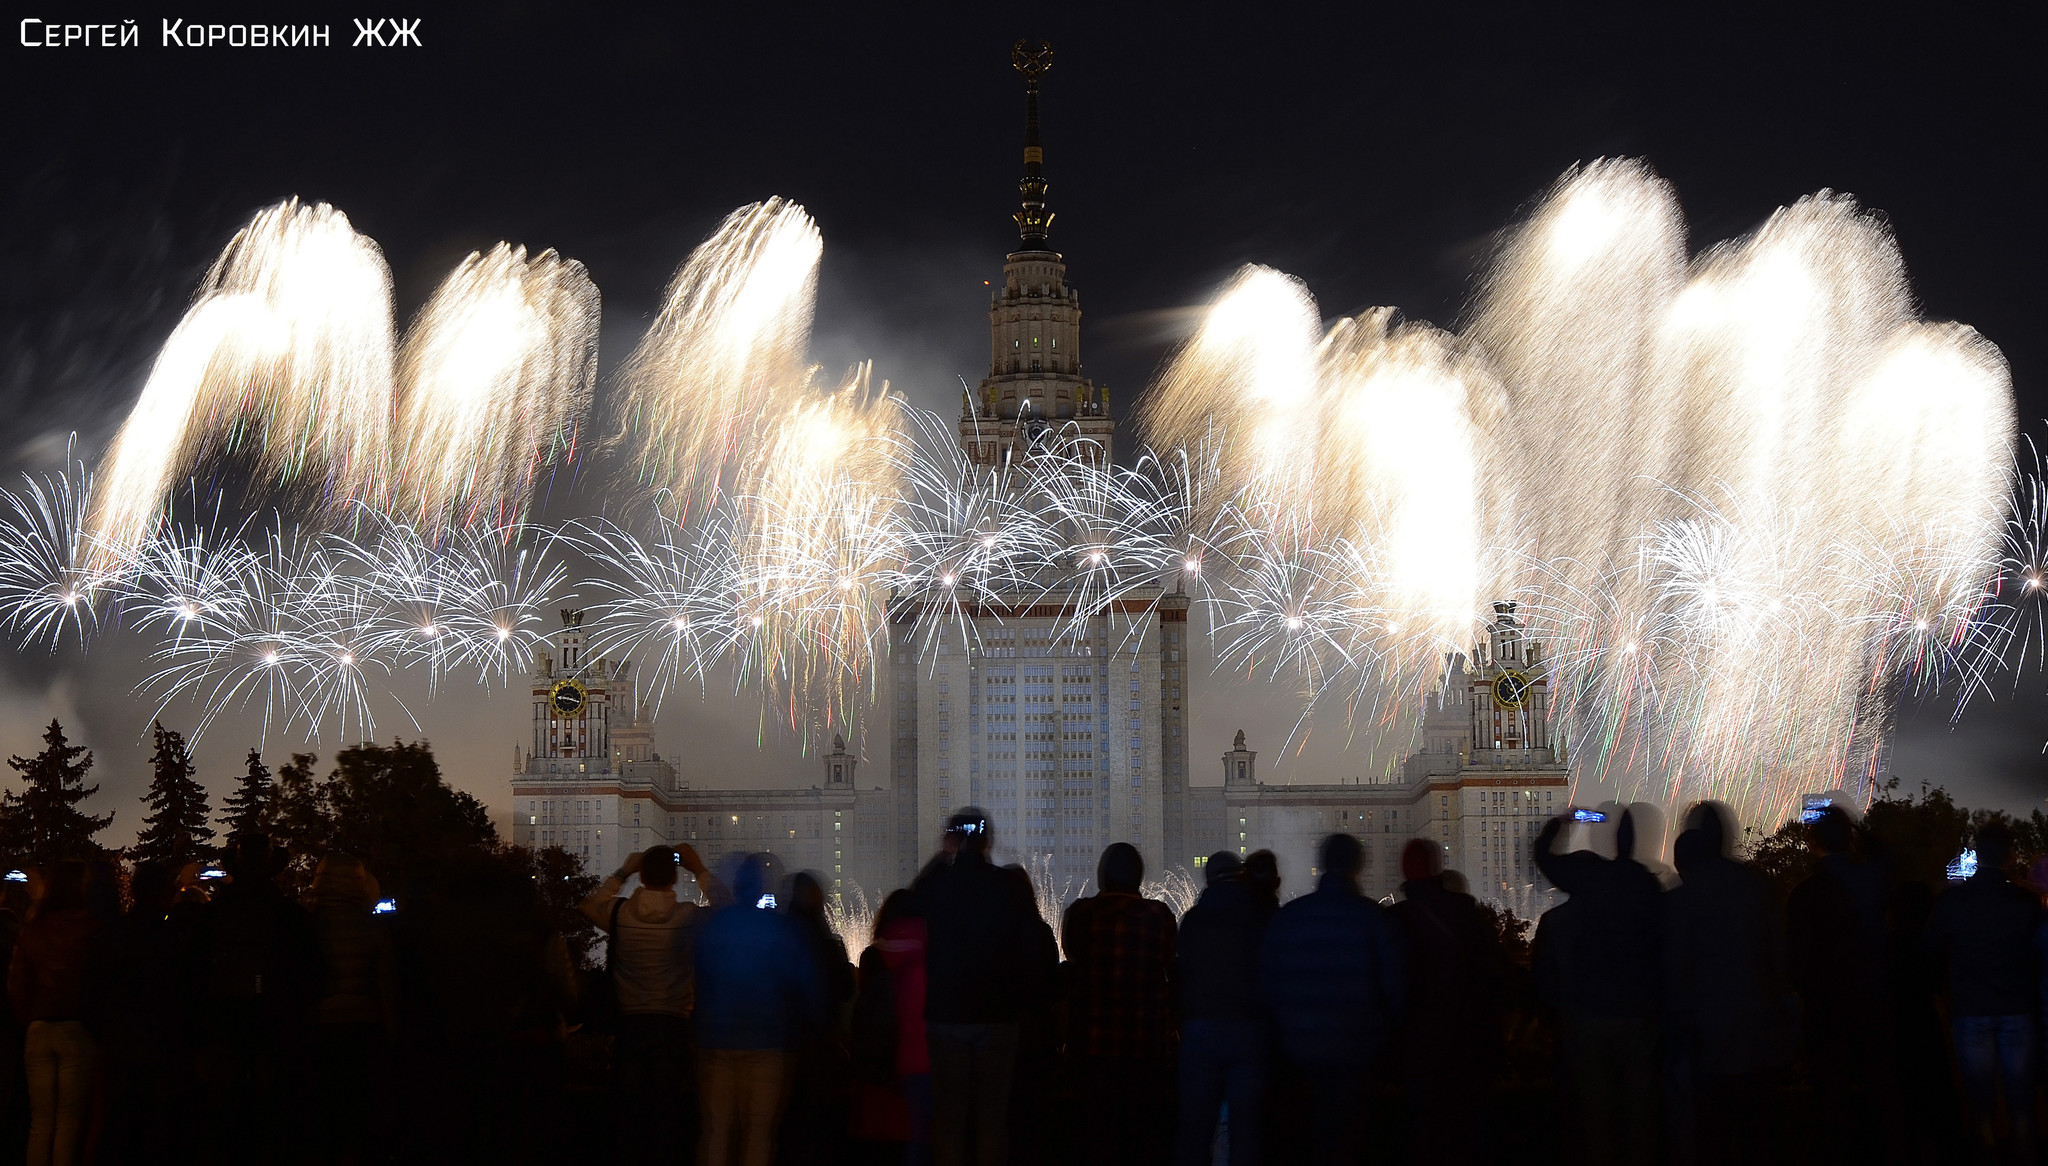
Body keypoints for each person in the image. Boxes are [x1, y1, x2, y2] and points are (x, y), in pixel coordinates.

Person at [1660, 803, 1795, 1166]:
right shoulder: (1758, 887)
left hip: (1705, 1037)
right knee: (1759, 1135)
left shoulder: (1680, 899)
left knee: (1712, 1134)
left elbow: (1673, 971)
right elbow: (1779, 958)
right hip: (1757, 1032)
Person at [1259, 834, 1407, 1166]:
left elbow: (1268, 984)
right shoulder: (1374, 919)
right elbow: (1395, 988)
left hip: (1299, 1055)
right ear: (1358, 867)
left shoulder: (1288, 918)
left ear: (1322, 865)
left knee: (1304, 1142)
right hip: (1357, 1054)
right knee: (1351, 1143)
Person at [581, 842, 729, 1163]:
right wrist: (699, 869)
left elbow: (589, 905)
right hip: (673, 1026)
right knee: (668, 1115)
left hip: (630, 1025)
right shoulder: (686, 917)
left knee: (629, 1115)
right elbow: (726, 908)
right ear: (674, 878)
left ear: (641, 875)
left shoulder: (619, 914)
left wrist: (622, 872)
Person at [1532, 808, 1663, 1166]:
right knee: (1639, 1111)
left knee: (1595, 1111)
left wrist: (1560, 823)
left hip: (1589, 1013)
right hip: (1640, 1013)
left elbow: (1543, 857)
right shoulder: (1647, 884)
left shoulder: (1587, 875)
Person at [913, 809, 1039, 1166]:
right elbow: (1031, 945)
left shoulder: (937, 884)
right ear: (988, 842)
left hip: (947, 1017)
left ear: (951, 840)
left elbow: (912, 900)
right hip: (997, 1017)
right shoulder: (1008, 886)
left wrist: (942, 858)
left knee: (949, 1120)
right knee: (992, 1120)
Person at [192, 834, 318, 1166]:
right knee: (271, 1110)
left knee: (222, 1111)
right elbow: (309, 971)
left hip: (223, 1024)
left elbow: (193, 969)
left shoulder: (213, 914)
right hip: (275, 1026)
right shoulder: (289, 914)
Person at [1784, 804, 1897, 1166]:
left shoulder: (1803, 896)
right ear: (1848, 837)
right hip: (1872, 1003)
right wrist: (1857, 825)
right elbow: (1886, 855)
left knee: (1831, 1099)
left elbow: (1795, 963)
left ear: (1811, 840)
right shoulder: (1872, 880)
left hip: (1825, 1011)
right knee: (1878, 1095)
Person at [695, 852, 824, 1166]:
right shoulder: (780, 929)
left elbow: (700, 977)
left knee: (717, 1130)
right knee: (759, 1132)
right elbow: (806, 985)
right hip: (768, 1043)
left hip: (718, 1043)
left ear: (736, 888)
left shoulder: (716, 925)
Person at [1926, 820, 2041, 1160]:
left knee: (1980, 1100)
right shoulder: (2025, 902)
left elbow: (1930, 950)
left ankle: (1986, 1149)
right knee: (2021, 1099)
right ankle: (2025, 1150)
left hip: (1971, 1008)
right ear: (2008, 856)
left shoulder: (1952, 902)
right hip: (2017, 1006)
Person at [1387, 840, 1505, 1166]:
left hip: (1419, 1047)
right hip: (1467, 1042)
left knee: (1426, 1132)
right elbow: (1493, 978)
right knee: (1467, 1129)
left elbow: (1390, 985)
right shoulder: (1469, 917)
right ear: (1438, 867)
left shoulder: (1395, 920)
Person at [1062, 842, 1178, 1166]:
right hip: (1144, 1049)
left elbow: (1072, 959)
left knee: (1095, 1139)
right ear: (1139, 878)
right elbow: (1168, 963)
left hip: (1091, 1050)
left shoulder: (1080, 914)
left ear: (1102, 877)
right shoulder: (1160, 916)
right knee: (1142, 1140)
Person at [1173, 850, 1274, 1166]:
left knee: (1195, 1131)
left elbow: (1180, 976)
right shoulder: (1259, 915)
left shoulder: (1193, 920)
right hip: (1249, 1033)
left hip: (1200, 1034)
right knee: (1245, 1132)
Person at [7, 862, 106, 1166]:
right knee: (68, 1122)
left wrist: (30, 1019)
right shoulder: (91, 928)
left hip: (38, 1028)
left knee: (40, 1123)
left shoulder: (33, 929)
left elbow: (16, 983)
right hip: (75, 1028)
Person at [305, 855, 399, 1166]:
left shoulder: (307, 926)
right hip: (364, 1030)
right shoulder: (373, 929)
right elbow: (386, 984)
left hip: (319, 1031)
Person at [781, 870, 856, 1165]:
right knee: (816, 1114)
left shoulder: (781, 932)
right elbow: (843, 988)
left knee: (791, 1113)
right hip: (818, 1040)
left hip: (785, 1040)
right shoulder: (823, 938)